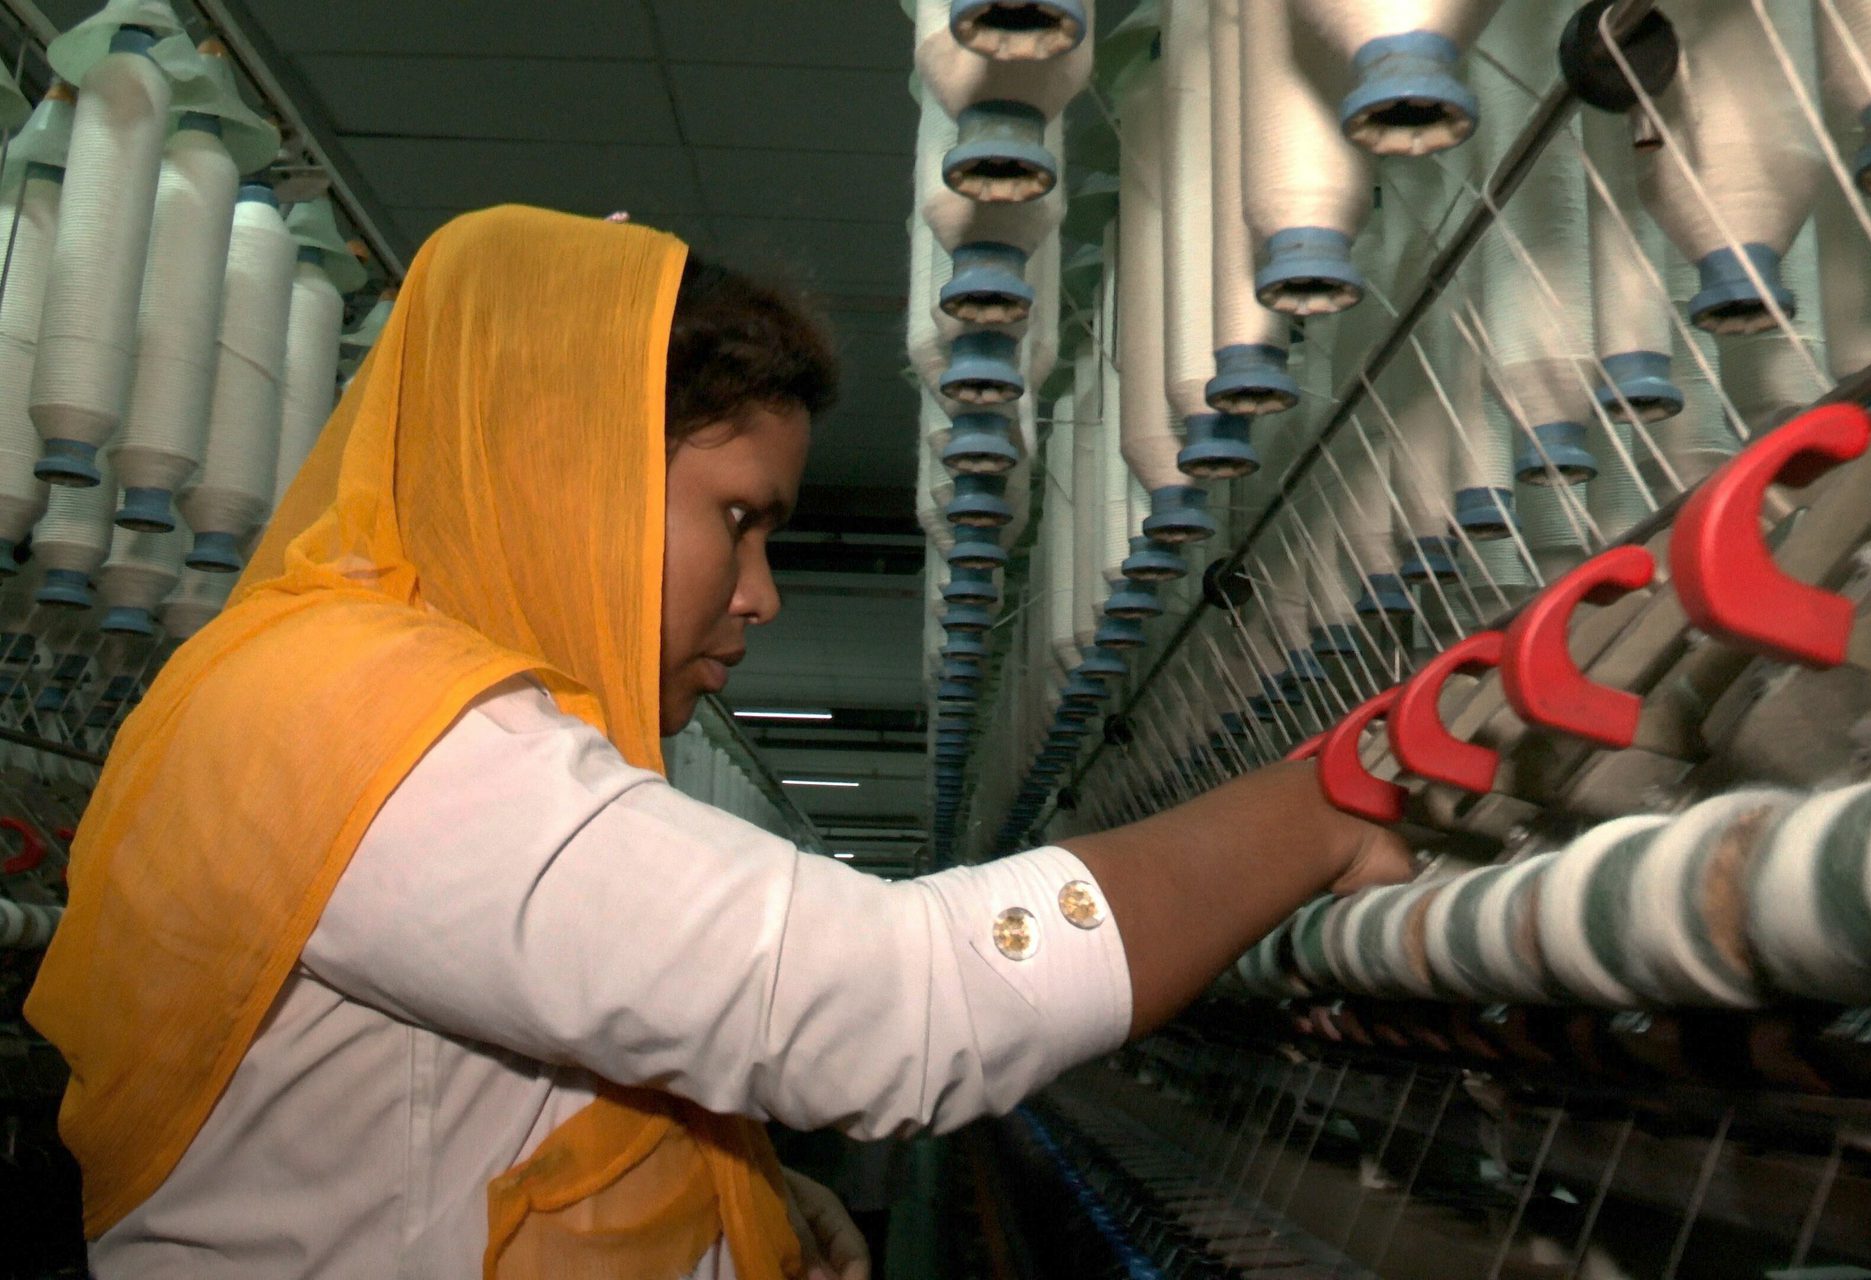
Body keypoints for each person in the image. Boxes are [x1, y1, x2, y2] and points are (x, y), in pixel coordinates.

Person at [25, 207, 1412, 1280]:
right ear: (566, 470)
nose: (758, 594)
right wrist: (1317, 808)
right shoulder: (356, 723)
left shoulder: (346, 702)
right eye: (737, 518)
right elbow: (901, 1004)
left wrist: (736, 1198)